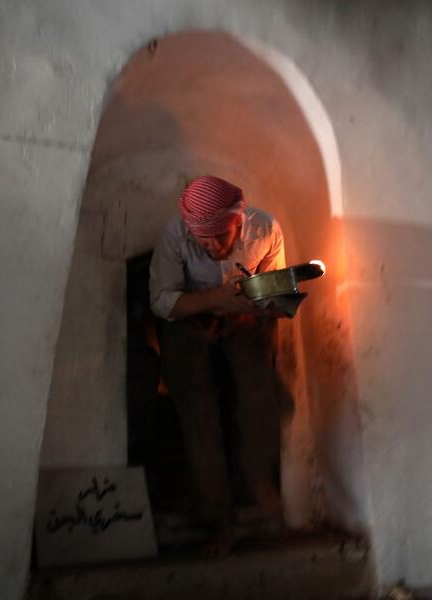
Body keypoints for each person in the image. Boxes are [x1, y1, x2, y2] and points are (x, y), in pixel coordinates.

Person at [149, 175, 286, 556]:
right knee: (197, 406)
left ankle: (259, 499)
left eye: (220, 237)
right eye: (202, 239)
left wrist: (264, 301)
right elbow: (162, 302)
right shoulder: (174, 235)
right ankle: (216, 518)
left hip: (241, 316)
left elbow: (276, 291)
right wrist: (215, 298)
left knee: (259, 390)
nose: (211, 246)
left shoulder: (266, 228)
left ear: (238, 222)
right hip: (187, 317)